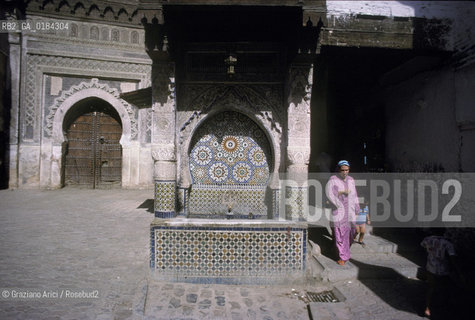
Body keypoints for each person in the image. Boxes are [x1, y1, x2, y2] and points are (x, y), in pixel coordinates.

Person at [421, 228, 462, 318]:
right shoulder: (448, 244)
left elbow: (424, 248)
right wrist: (459, 272)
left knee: (431, 287)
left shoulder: (427, 239)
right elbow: (452, 258)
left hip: (430, 267)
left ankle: (427, 308)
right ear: (444, 231)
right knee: (444, 288)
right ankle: (443, 308)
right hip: (443, 269)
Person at [325, 160, 360, 266]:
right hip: (338, 210)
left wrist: (357, 209)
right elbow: (329, 193)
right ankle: (342, 256)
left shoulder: (351, 180)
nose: (345, 172)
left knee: (352, 231)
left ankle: (342, 250)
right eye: (343, 170)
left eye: (347, 170)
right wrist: (340, 195)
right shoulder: (333, 180)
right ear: (338, 169)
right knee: (339, 232)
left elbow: (355, 195)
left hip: (350, 210)